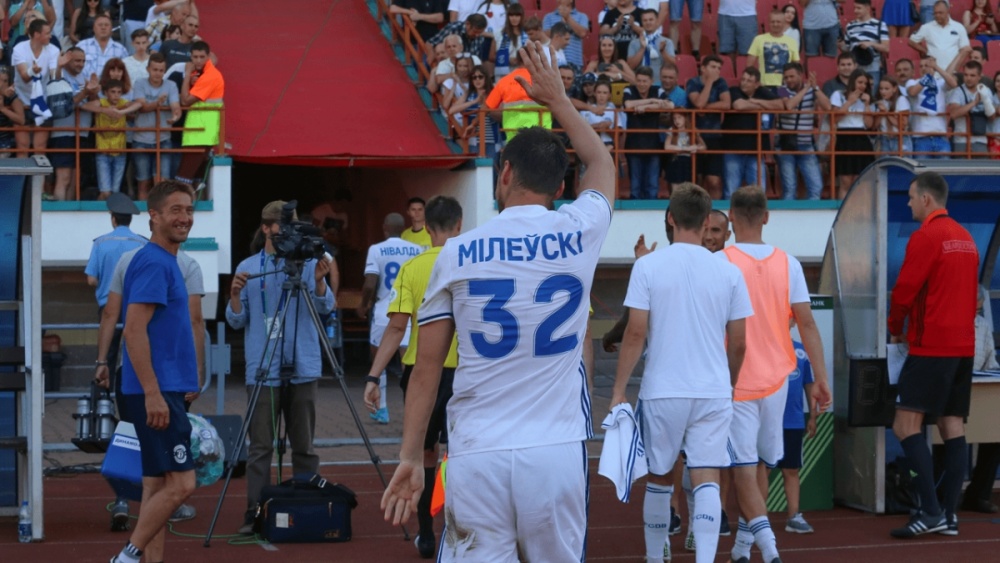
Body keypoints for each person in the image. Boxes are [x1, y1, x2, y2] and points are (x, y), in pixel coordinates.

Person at [381, 40, 616, 561]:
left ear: (505, 173)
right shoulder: (579, 232)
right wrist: (560, 101)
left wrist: (411, 456)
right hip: (555, 448)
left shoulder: (456, 252)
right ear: (561, 186)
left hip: (477, 450)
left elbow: (425, 369)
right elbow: (601, 161)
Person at [610, 183, 752, 563]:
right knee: (707, 477)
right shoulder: (729, 272)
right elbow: (739, 343)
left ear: (671, 218)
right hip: (712, 390)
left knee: (660, 477)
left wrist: (619, 390)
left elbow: (635, 332)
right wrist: (729, 384)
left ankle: (655, 557)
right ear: (707, 222)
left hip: (664, 389)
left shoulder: (647, 266)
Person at [722, 186, 832, 563]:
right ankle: (743, 547)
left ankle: (768, 549)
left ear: (731, 216)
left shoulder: (721, 261)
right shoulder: (789, 263)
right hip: (778, 380)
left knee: (743, 466)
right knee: (762, 464)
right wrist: (820, 378)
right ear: (767, 217)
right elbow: (807, 324)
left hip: (736, 379)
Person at [362, 196, 463, 559]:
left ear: (427, 228)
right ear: (459, 225)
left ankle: (426, 532)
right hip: (466, 372)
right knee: (463, 452)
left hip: (422, 371)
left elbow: (396, 327)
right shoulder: (472, 263)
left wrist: (373, 375)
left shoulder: (413, 267)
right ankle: (460, 528)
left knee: (424, 452)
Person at [227, 200, 334, 535]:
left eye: (292, 227)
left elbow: (326, 308)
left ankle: (306, 507)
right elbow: (237, 321)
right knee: (260, 447)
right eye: (281, 227)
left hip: (303, 365)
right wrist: (234, 296)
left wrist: (319, 282)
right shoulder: (249, 267)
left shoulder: (308, 264)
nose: (287, 233)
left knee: (304, 447)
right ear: (266, 228)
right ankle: (255, 511)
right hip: (264, 367)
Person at [95, 213, 205, 532]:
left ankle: (122, 500)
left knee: (132, 440)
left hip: (128, 370)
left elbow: (110, 313)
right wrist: (197, 371)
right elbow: (195, 320)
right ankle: (157, 517)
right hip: (168, 378)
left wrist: (101, 361)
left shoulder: (127, 260)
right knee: (167, 460)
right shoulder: (187, 265)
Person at [888, 171, 979, 538]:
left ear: (926, 199)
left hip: (931, 345)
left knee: (904, 425)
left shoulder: (926, 236)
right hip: (963, 346)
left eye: (911, 197)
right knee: (952, 425)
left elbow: (905, 290)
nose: (909, 203)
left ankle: (930, 510)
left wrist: (895, 326)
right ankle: (949, 515)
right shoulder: (966, 238)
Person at [358, 213, 423, 424]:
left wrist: (363, 305)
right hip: (408, 312)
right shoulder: (417, 250)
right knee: (409, 365)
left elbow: (370, 283)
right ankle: (412, 413)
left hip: (383, 312)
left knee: (379, 361)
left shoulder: (376, 249)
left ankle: (382, 409)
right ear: (403, 228)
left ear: (385, 227)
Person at [961, 287, 1000, 514]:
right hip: (951, 392)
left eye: (978, 309)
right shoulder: (947, 323)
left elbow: (991, 364)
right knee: (943, 442)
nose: (976, 313)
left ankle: (979, 494)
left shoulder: (983, 326)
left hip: (978, 392)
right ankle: (941, 494)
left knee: (994, 436)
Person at [778, 335, 818, 534]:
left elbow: (809, 385)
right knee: (761, 470)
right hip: (766, 421)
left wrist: (813, 416)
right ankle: (756, 520)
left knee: (791, 469)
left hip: (793, 421)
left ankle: (793, 517)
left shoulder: (801, 352)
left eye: (791, 319)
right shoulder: (764, 345)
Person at [722, 68, 782, 198]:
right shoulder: (734, 90)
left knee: (758, 191)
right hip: (733, 149)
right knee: (731, 190)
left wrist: (757, 101)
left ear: (757, 84)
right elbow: (739, 105)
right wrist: (763, 107)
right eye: (743, 79)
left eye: (749, 81)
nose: (744, 83)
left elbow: (780, 105)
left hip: (756, 150)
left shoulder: (762, 92)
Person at [85, 193, 147, 319]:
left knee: (108, 333)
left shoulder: (100, 243)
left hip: (108, 305)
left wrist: (105, 284)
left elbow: (91, 280)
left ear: (113, 219)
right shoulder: (143, 244)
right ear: (130, 220)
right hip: (135, 306)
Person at [48, 47, 96, 201]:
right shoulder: (61, 75)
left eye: (83, 61)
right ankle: (59, 212)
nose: (81, 64)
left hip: (82, 133)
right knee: (64, 177)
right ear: (68, 60)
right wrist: (85, 93)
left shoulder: (84, 78)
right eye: (77, 61)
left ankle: (69, 209)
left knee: (75, 179)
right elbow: (65, 104)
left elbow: (93, 102)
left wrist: (94, 92)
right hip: (63, 133)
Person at [132, 52, 182, 199]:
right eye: (155, 69)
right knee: (143, 183)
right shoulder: (139, 83)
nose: (158, 73)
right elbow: (141, 107)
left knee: (162, 183)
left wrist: (175, 117)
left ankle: (160, 212)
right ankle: (144, 212)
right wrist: (157, 103)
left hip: (163, 138)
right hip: (141, 139)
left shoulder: (171, 85)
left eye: (161, 70)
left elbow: (175, 106)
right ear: (148, 69)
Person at [776, 63, 828, 200]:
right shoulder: (782, 89)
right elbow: (789, 106)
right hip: (786, 145)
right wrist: (806, 88)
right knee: (789, 188)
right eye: (786, 77)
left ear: (800, 75)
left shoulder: (812, 90)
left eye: (792, 76)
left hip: (806, 144)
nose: (789, 80)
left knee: (816, 187)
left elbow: (828, 107)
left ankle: (813, 213)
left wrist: (815, 87)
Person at [83, 79, 141, 199]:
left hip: (120, 151)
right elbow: (84, 106)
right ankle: (97, 211)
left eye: (119, 92)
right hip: (103, 152)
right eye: (113, 92)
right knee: (105, 192)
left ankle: (104, 210)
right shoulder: (101, 102)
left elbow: (139, 104)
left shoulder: (123, 103)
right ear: (106, 93)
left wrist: (123, 111)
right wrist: (105, 110)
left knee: (115, 192)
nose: (116, 95)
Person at [178, 41, 223, 187]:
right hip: (201, 130)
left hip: (200, 132)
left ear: (208, 56)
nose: (198, 60)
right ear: (191, 56)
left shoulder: (210, 75)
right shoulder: (203, 73)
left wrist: (186, 75)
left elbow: (185, 101)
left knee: (183, 179)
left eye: (201, 57)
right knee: (196, 180)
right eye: (195, 57)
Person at [12, 17, 59, 157]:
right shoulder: (19, 48)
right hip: (21, 101)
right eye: (47, 33)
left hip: (42, 101)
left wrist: (61, 65)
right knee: (22, 147)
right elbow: (24, 77)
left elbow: (55, 78)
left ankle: (37, 172)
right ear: (37, 34)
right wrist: (33, 71)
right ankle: (21, 173)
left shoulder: (54, 50)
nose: (50, 36)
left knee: (40, 147)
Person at [686, 55, 731, 199]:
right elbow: (698, 102)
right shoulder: (692, 83)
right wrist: (710, 81)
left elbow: (726, 104)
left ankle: (715, 209)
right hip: (695, 137)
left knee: (714, 181)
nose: (717, 71)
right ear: (703, 68)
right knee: (696, 181)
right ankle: (696, 210)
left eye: (719, 68)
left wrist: (705, 108)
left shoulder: (721, 82)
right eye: (713, 67)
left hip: (715, 137)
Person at [623, 65, 670, 199]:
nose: (641, 84)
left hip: (653, 145)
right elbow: (627, 105)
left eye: (645, 81)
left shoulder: (658, 90)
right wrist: (652, 100)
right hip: (633, 144)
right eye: (639, 80)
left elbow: (670, 105)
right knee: (635, 185)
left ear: (651, 81)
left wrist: (645, 107)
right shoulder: (629, 89)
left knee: (652, 184)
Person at [829, 69, 875, 199]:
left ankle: (859, 209)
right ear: (852, 81)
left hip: (861, 138)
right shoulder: (838, 95)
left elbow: (869, 125)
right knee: (845, 181)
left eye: (865, 83)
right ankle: (843, 209)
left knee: (859, 181)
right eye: (860, 82)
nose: (863, 86)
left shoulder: (867, 99)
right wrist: (849, 102)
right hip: (844, 138)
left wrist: (867, 105)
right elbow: (834, 119)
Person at [906, 55, 958, 159]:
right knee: (922, 169)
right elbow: (913, 92)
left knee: (945, 168)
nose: (923, 68)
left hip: (940, 136)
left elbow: (953, 84)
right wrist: (928, 77)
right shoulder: (912, 82)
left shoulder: (940, 82)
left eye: (927, 65)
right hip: (921, 137)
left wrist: (937, 68)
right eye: (921, 66)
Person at [909, 1, 972, 79]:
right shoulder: (927, 27)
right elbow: (911, 41)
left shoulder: (959, 27)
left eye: (940, 13)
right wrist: (925, 51)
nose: (937, 15)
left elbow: (965, 50)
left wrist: (955, 69)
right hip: (933, 75)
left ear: (948, 11)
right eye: (935, 13)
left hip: (952, 74)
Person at [948, 60, 995, 156]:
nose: (968, 78)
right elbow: (953, 114)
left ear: (979, 76)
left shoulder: (986, 91)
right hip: (961, 141)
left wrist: (985, 100)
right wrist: (974, 103)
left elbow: (992, 117)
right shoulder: (958, 91)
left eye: (972, 75)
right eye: (966, 75)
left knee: (982, 166)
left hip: (981, 140)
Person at [747, 10, 800, 89]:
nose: (775, 24)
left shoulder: (791, 42)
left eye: (778, 22)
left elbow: (796, 66)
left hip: (784, 86)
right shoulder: (758, 39)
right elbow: (749, 65)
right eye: (772, 22)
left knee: (783, 97)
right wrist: (756, 82)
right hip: (764, 86)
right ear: (768, 23)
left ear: (784, 23)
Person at [843, 0, 890, 87]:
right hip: (855, 68)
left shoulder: (880, 25)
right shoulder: (850, 26)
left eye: (859, 8)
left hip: (873, 67)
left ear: (867, 8)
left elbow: (886, 48)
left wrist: (871, 44)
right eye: (854, 8)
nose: (855, 11)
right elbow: (846, 48)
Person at [627, 9, 676, 83]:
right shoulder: (634, 43)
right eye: (645, 20)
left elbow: (673, 65)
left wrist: (663, 52)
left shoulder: (667, 42)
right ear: (642, 23)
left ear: (657, 21)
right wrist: (642, 48)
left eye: (651, 20)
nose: (648, 22)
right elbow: (630, 66)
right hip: (640, 84)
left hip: (660, 83)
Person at [77, 13, 129, 79]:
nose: (103, 27)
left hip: (111, 85)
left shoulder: (121, 49)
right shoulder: (82, 46)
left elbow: (126, 73)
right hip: (85, 84)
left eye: (106, 25)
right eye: (100, 25)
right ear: (93, 28)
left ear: (111, 28)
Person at [543, 0, 589, 69]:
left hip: (575, 62)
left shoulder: (582, 16)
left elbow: (582, 33)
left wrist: (568, 17)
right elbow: (546, 35)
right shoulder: (548, 17)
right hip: (554, 61)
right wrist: (561, 25)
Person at [662, 111, 703, 190]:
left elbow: (703, 146)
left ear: (685, 118)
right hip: (676, 160)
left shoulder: (692, 129)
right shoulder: (671, 130)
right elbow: (666, 146)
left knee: (689, 188)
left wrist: (696, 148)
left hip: (689, 161)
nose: (677, 121)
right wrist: (686, 148)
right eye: (674, 118)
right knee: (676, 189)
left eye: (679, 118)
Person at [875, 76, 913, 156]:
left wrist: (886, 113)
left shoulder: (901, 100)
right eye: (881, 89)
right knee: (885, 164)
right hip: (884, 139)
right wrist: (880, 114)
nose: (883, 92)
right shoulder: (881, 102)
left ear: (894, 89)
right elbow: (874, 126)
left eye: (886, 89)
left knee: (901, 163)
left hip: (900, 139)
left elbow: (903, 125)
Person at [493, 2, 526, 80]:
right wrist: (507, 59)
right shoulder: (499, 34)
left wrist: (519, 60)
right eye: (511, 15)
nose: (514, 18)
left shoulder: (527, 34)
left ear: (521, 17)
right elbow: (491, 56)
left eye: (517, 15)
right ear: (508, 17)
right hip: (503, 75)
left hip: (522, 73)